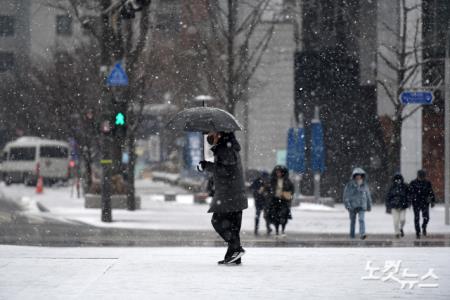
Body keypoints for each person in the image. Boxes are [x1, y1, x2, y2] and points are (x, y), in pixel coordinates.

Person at [199, 132, 248, 265]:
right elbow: (226, 169)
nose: (209, 136)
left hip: (229, 195)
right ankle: (233, 257)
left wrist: (206, 166)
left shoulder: (225, 149)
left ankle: (236, 249)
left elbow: (225, 170)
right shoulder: (229, 147)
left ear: (219, 134)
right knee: (232, 227)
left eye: (211, 133)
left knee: (217, 221)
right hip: (234, 194)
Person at [343, 167, 372, 240]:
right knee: (352, 221)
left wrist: (369, 206)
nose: (358, 176)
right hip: (352, 206)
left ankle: (362, 234)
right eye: (357, 175)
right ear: (354, 176)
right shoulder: (350, 185)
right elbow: (346, 196)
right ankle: (352, 235)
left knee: (361, 219)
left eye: (360, 175)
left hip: (362, 205)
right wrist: (347, 205)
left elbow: (368, 196)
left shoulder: (365, 185)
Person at [266, 165, 294, 236]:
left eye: (279, 172)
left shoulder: (287, 181)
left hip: (284, 200)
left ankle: (283, 230)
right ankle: (277, 230)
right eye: (277, 172)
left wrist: (287, 194)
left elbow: (291, 190)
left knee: (283, 215)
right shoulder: (272, 181)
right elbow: (268, 189)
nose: (278, 174)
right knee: (275, 216)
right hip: (274, 200)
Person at [409, 170, 436, 239]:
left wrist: (433, 201)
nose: (421, 178)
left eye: (423, 177)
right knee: (417, 218)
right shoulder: (413, 183)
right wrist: (409, 201)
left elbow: (431, 192)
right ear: (417, 176)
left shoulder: (427, 183)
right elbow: (410, 193)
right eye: (420, 177)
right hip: (416, 203)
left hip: (425, 202)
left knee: (426, 217)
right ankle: (418, 232)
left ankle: (424, 227)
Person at [385, 173, 410, 238]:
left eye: (399, 179)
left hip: (403, 206)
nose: (398, 180)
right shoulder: (392, 187)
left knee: (402, 220)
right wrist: (388, 206)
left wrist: (408, 203)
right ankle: (397, 233)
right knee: (395, 221)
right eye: (397, 179)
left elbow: (408, 195)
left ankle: (401, 228)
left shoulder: (405, 186)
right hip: (394, 206)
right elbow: (388, 197)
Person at [250, 171, 271, 235]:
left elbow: (270, 191)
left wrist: (267, 194)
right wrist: (258, 192)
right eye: (264, 177)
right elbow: (252, 189)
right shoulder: (256, 181)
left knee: (266, 215)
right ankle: (256, 228)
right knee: (257, 215)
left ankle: (268, 228)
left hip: (265, 201)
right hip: (258, 201)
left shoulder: (268, 182)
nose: (264, 179)